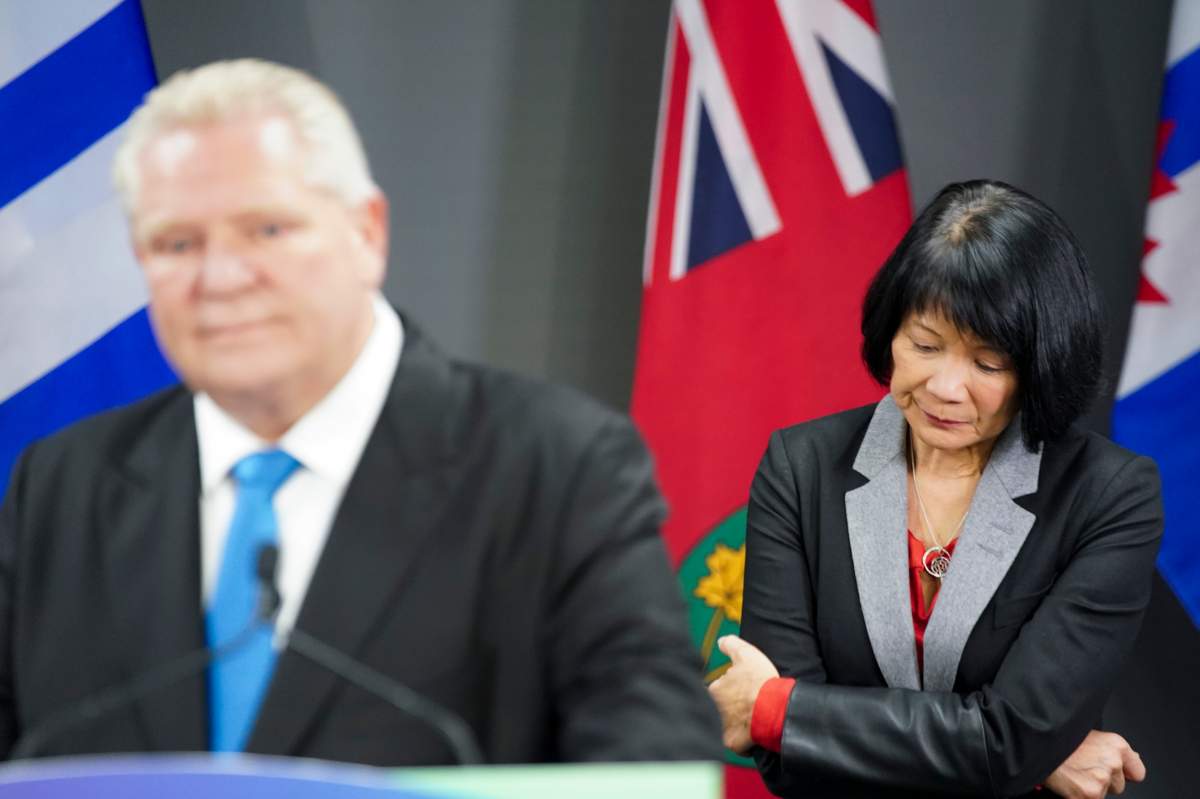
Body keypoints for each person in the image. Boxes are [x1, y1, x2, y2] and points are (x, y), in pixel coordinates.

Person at [0, 59, 721, 765]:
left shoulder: (556, 464)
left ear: (367, 231)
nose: (219, 278)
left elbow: (651, 764)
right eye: (176, 243)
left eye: (267, 230)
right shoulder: (61, 486)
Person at [708, 180, 1163, 799]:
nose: (946, 387)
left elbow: (1009, 741)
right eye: (925, 345)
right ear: (889, 333)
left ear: (1042, 363)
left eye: (988, 363)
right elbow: (789, 765)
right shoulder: (802, 466)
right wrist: (1032, 761)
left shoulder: (1109, 495)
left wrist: (779, 711)